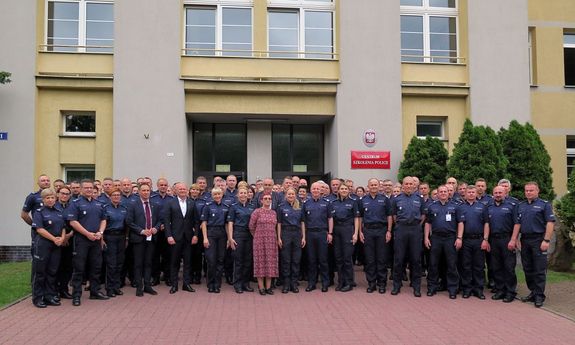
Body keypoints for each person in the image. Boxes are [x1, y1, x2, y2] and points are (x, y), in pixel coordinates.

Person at [511, 182, 555, 308]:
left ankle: (539, 296)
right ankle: (533, 292)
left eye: (531, 190)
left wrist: (546, 240)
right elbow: (518, 224)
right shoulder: (521, 205)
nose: (528, 192)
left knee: (539, 269)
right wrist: (515, 239)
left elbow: (550, 223)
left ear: (537, 191)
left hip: (539, 240)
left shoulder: (544, 205)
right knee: (527, 268)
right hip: (525, 240)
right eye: (526, 190)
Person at [66, 179, 108, 306]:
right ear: (81, 189)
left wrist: (100, 233)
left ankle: (95, 292)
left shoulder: (99, 204)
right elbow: (73, 222)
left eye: (91, 188)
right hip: (81, 240)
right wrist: (87, 234)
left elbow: (104, 220)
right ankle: (76, 295)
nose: (89, 190)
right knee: (79, 268)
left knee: (96, 267)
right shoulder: (75, 203)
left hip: (95, 240)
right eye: (86, 188)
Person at [390, 176, 426, 297]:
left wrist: (415, 225)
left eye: (411, 184)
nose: (409, 186)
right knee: (399, 259)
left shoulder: (419, 198)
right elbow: (394, 216)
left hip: (415, 229)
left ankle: (416, 287)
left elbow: (423, 215)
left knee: (416, 259)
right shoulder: (396, 199)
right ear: (403, 185)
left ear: (414, 185)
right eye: (406, 184)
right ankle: (396, 285)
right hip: (401, 229)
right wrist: (402, 224)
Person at [31, 189, 65, 308]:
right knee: (40, 272)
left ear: (55, 198)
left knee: (52, 271)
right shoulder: (39, 212)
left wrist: (62, 238)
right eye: (47, 198)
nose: (50, 200)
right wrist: (54, 239)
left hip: (56, 246)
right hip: (43, 245)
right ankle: (38, 297)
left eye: (52, 197)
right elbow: (40, 229)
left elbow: (63, 227)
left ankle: (49, 296)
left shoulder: (59, 211)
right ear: (43, 199)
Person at [424, 185, 460, 299]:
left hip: (450, 238)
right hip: (436, 238)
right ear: (437, 194)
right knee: (433, 264)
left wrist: (459, 238)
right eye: (441, 192)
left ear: (448, 193)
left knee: (451, 264)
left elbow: (460, 223)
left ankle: (453, 289)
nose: (443, 193)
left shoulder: (455, 206)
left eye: (445, 191)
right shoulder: (432, 206)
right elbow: (427, 223)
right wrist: (426, 237)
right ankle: (432, 287)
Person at [126, 183, 161, 297]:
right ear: (139, 192)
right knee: (138, 263)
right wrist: (141, 231)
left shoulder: (155, 204)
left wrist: (156, 228)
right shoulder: (133, 204)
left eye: (148, 190)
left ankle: (147, 285)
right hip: (138, 238)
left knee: (148, 262)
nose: (146, 192)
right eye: (144, 190)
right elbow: (129, 221)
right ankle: (139, 286)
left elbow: (160, 220)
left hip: (151, 238)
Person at [360, 178, 392, 293]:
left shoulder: (384, 199)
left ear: (379, 186)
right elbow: (360, 218)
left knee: (382, 258)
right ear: (368, 187)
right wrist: (360, 232)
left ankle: (382, 283)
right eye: (371, 185)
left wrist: (389, 231)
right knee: (370, 259)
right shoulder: (363, 200)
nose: (373, 186)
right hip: (368, 231)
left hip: (381, 230)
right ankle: (371, 283)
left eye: (375, 185)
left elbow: (389, 216)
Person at [457, 185, 490, 299]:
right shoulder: (460, 207)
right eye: (469, 192)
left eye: (473, 192)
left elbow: (486, 223)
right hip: (466, 239)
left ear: (476, 194)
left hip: (479, 240)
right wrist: (459, 238)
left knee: (479, 266)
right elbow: (459, 224)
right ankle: (467, 289)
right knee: (466, 265)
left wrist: (485, 239)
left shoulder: (483, 207)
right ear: (465, 194)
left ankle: (478, 289)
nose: (471, 194)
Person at [164, 182, 197, 294]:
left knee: (188, 262)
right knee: (174, 262)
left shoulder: (191, 203)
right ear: (176, 191)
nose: (182, 190)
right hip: (175, 237)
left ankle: (186, 284)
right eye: (180, 189)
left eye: (184, 189)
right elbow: (166, 222)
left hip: (188, 237)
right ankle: (174, 285)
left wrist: (196, 235)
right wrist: (169, 236)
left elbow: (196, 221)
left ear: (187, 190)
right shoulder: (170, 203)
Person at [301, 182, 333, 292]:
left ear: (321, 191)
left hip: (322, 233)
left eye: (317, 189)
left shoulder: (327, 203)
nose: (315, 190)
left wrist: (330, 233)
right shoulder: (306, 203)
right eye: (313, 189)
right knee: (311, 260)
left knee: (323, 260)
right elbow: (303, 222)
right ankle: (311, 283)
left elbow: (330, 219)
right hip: (310, 234)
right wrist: (304, 236)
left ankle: (325, 283)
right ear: (311, 190)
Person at [488, 186, 517, 303]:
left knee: (509, 267)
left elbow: (516, 224)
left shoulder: (512, 206)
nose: (498, 194)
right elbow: (486, 224)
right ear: (493, 194)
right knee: (496, 266)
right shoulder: (489, 207)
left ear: (505, 193)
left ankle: (510, 291)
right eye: (496, 193)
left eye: (500, 192)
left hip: (507, 239)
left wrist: (513, 239)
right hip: (493, 240)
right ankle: (500, 289)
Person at [330, 184, 360, 292]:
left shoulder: (353, 202)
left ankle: (349, 282)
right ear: (338, 190)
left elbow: (356, 218)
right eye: (341, 189)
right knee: (338, 258)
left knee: (347, 258)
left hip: (348, 230)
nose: (343, 190)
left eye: (345, 189)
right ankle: (341, 282)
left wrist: (355, 233)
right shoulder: (333, 203)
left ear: (349, 191)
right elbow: (331, 219)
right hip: (337, 231)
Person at [227, 186, 256, 293]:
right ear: (238, 195)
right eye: (241, 193)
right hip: (238, 234)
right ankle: (237, 284)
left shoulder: (252, 207)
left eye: (245, 193)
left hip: (249, 235)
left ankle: (245, 283)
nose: (243, 195)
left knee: (248, 261)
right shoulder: (233, 207)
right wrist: (230, 238)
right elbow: (230, 223)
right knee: (238, 260)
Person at [201, 187, 229, 293]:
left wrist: (228, 238)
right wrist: (205, 238)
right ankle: (210, 283)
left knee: (220, 260)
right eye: (215, 194)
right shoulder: (207, 206)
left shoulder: (226, 207)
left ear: (222, 194)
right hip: (211, 234)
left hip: (222, 234)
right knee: (211, 260)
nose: (217, 196)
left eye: (219, 194)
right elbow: (204, 223)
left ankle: (217, 284)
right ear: (212, 195)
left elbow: (227, 224)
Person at [277, 187, 305, 293]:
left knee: (296, 260)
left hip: (297, 234)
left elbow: (302, 223)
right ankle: (286, 284)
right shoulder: (281, 207)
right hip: (285, 233)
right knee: (286, 260)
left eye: (293, 194)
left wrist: (304, 237)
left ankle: (294, 284)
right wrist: (279, 237)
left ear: (295, 195)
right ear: (286, 195)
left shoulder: (300, 207)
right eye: (289, 194)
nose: (291, 196)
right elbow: (279, 223)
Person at [249, 193, 278, 295]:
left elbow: (276, 226)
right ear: (261, 200)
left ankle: (268, 287)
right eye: (265, 198)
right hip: (259, 241)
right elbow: (251, 226)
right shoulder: (257, 212)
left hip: (271, 241)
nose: (267, 200)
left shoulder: (274, 213)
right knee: (260, 263)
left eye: (269, 198)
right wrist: (257, 236)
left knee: (270, 263)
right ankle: (261, 287)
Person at [102, 188, 128, 298]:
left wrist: (126, 238)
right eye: (114, 195)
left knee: (119, 263)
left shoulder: (124, 208)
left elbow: (127, 225)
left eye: (118, 195)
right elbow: (102, 224)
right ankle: (110, 288)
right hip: (109, 236)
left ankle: (117, 287)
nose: (116, 197)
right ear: (110, 197)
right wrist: (101, 239)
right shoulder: (105, 208)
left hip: (121, 237)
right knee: (111, 264)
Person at [55, 186, 74, 299]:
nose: (65, 195)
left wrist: (68, 236)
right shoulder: (53, 206)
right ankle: (54, 290)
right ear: (58, 194)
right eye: (62, 193)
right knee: (55, 266)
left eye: (67, 194)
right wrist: (61, 238)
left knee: (67, 266)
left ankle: (64, 289)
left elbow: (76, 222)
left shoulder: (72, 207)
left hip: (70, 239)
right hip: (56, 240)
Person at [189, 184, 207, 284]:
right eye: (193, 189)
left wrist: (199, 226)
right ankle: (190, 275)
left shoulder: (203, 202)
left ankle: (197, 276)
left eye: (196, 190)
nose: (195, 191)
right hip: (188, 231)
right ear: (190, 191)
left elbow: (204, 216)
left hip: (200, 231)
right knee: (189, 254)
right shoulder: (186, 201)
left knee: (198, 255)